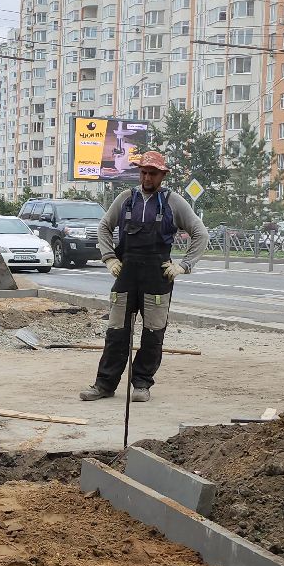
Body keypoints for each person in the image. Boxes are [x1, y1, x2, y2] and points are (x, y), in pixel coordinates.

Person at [81, 151, 208, 403]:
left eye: (152, 173)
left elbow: (200, 234)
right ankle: (104, 384)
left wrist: (183, 266)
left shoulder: (173, 202)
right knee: (116, 331)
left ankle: (141, 384)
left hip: (157, 277)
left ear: (162, 174)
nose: (147, 177)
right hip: (126, 274)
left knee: (153, 333)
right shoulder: (126, 199)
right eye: (143, 172)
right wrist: (110, 258)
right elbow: (104, 227)